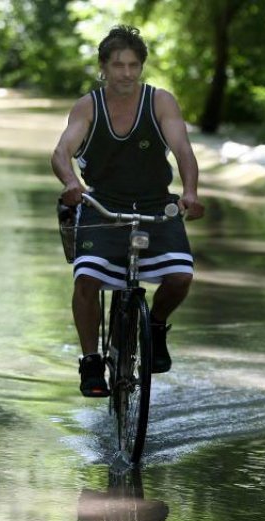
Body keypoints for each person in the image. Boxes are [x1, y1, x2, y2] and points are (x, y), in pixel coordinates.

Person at [51, 25, 203, 397]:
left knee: (181, 277)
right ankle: (90, 362)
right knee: (86, 279)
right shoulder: (88, 106)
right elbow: (61, 152)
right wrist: (72, 183)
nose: (127, 73)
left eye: (134, 65)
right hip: (102, 206)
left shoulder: (160, 102)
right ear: (103, 67)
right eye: (118, 65)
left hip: (155, 203)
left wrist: (191, 192)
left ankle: (154, 325)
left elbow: (183, 150)